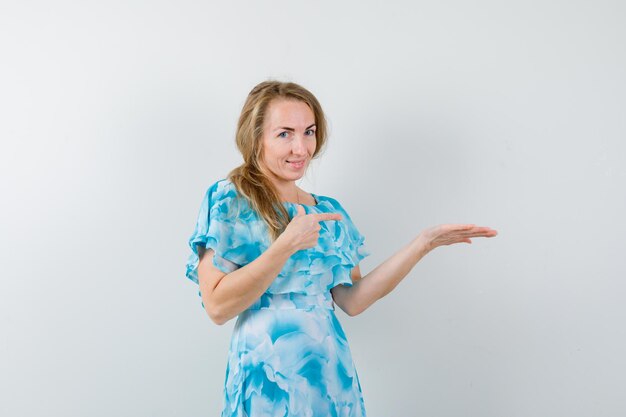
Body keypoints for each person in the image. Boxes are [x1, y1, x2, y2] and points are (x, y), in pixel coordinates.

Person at [185, 80, 498, 417]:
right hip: (266, 380)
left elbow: (352, 300)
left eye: (309, 132)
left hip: (330, 378)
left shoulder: (327, 211)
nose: (301, 148)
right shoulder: (229, 200)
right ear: (255, 137)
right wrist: (286, 245)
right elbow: (217, 306)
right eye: (284, 134)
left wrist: (422, 245)